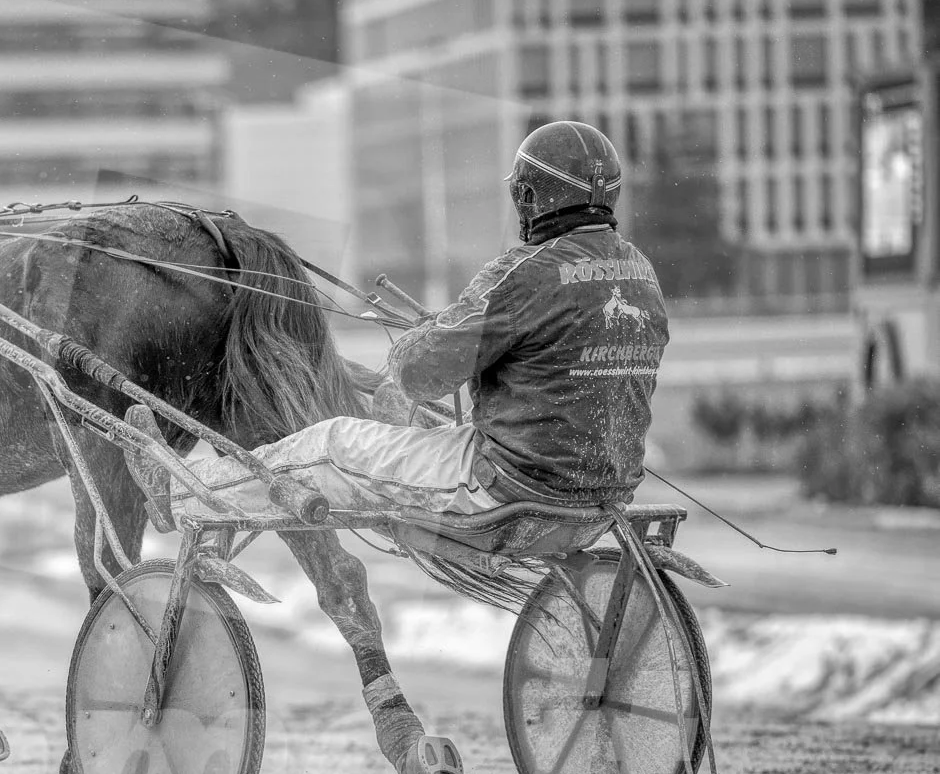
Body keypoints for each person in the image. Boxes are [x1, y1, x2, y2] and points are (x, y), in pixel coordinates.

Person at [126, 120, 669, 527]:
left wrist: (427, 334)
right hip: (604, 487)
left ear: (529, 197)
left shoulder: (526, 273)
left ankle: (179, 493)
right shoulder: (640, 271)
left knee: (328, 443)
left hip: (509, 487)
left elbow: (418, 374)